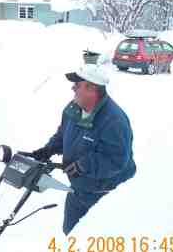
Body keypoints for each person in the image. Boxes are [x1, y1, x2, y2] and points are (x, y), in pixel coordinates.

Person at [31, 63, 136, 235]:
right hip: (79, 189)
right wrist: (47, 150)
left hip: (104, 195)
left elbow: (116, 160)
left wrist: (84, 164)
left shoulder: (114, 121)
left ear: (92, 89)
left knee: (89, 239)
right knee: (70, 235)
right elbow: (62, 135)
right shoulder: (73, 109)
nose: (73, 88)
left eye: (77, 85)